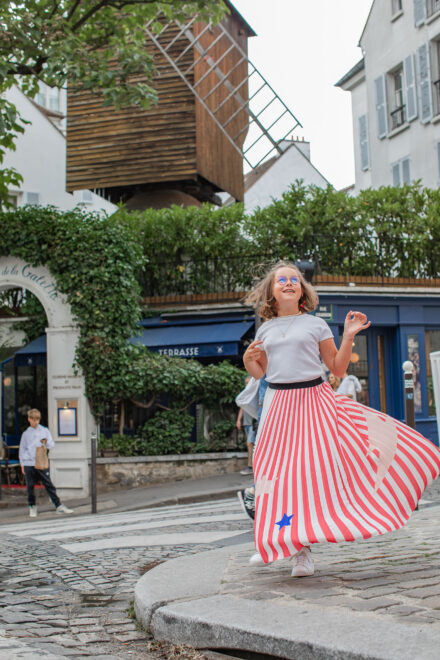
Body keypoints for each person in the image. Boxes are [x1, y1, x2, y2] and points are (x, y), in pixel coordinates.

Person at [243, 262, 440, 578]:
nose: (290, 282)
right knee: (273, 474)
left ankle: (302, 554)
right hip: (278, 406)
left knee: (307, 475)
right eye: (282, 280)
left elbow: (336, 368)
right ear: (272, 291)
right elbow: (263, 374)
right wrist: (247, 361)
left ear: (303, 289)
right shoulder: (264, 330)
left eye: (295, 279)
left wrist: (348, 336)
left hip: (312, 401)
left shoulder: (315, 325)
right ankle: (276, 541)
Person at [19, 408, 74, 518]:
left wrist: (46, 442)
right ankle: (32, 506)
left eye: (37, 420)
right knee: (30, 486)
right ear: (29, 419)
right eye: (33, 420)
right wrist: (22, 464)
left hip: (41, 462)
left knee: (48, 484)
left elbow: (51, 445)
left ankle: (58, 505)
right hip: (29, 463)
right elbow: (22, 449)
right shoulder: (26, 434)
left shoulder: (44, 430)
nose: (35, 422)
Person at [237, 377, 256, 475]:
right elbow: (242, 408)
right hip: (246, 423)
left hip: (252, 423)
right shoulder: (246, 394)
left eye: (248, 383)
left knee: (250, 444)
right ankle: (253, 466)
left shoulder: (253, 394)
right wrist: (239, 420)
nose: (246, 385)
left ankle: (250, 467)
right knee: (250, 445)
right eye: (245, 383)